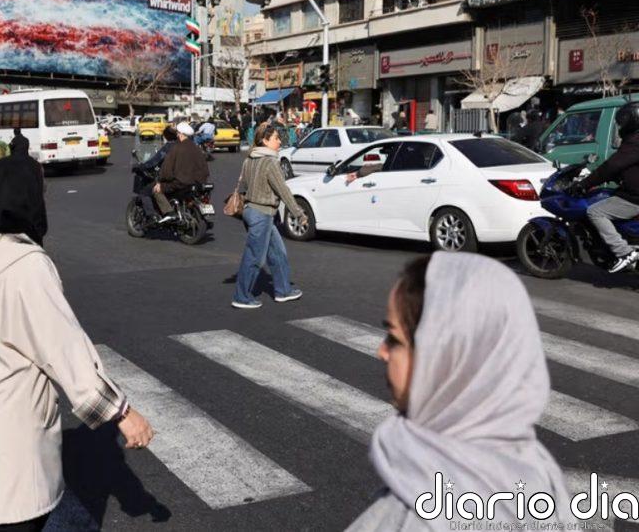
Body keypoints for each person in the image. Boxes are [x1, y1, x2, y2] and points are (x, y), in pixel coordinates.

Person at [0, 154, 154, 531]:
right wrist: (123, 414)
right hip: (14, 428)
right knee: (20, 519)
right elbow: (64, 349)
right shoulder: (25, 265)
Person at [347, 253, 573, 530]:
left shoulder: (421, 515)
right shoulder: (536, 467)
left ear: (446, 356)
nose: (381, 351)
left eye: (394, 339)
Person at [232, 123, 306, 309]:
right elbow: (283, 191)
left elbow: (243, 187)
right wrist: (298, 213)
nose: (279, 141)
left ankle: (283, 290)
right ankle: (241, 297)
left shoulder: (249, 159)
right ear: (265, 140)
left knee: (278, 253)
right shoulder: (271, 162)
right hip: (261, 214)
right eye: (275, 138)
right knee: (254, 257)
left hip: (252, 212)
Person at [571, 102, 639, 273]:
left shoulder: (634, 142)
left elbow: (611, 166)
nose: (620, 125)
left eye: (622, 121)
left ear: (632, 121)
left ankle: (624, 252)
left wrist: (584, 184)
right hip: (632, 192)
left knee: (595, 211)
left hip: (634, 198)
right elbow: (625, 168)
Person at [153, 122, 210, 223]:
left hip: (181, 183)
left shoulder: (177, 148)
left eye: (178, 133)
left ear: (181, 134)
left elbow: (166, 170)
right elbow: (205, 169)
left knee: (156, 190)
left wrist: (160, 181)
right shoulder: (196, 148)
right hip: (198, 183)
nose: (177, 135)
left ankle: (169, 213)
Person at [133, 126, 179, 219]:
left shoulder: (168, 147)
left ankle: (152, 216)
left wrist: (142, 166)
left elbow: (155, 161)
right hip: (184, 176)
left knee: (145, 192)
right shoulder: (183, 145)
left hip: (171, 177)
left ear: (166, 136)